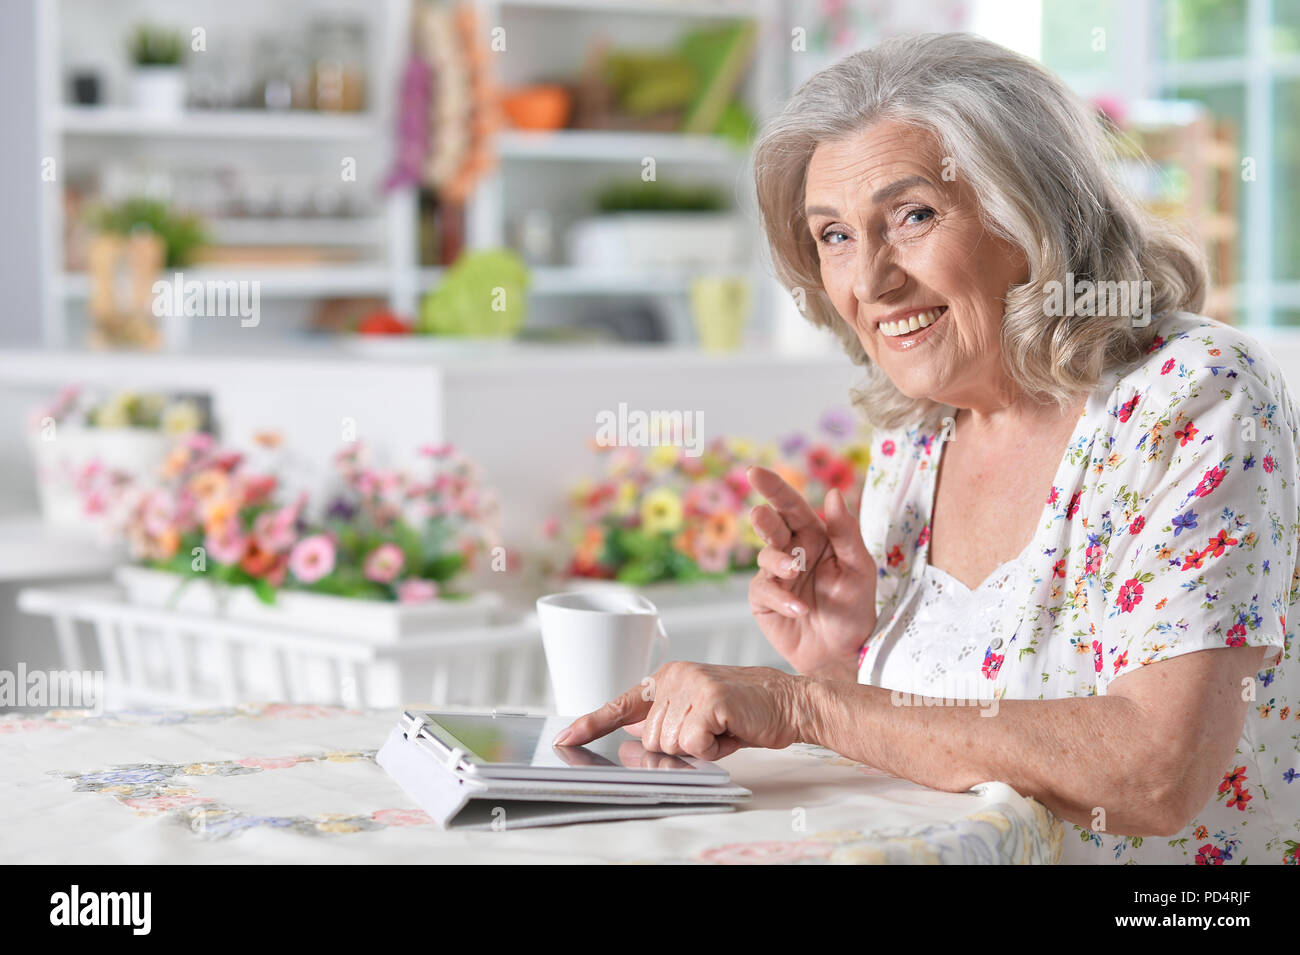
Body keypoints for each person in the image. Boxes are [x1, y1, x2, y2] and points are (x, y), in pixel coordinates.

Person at [553, 33, 1299, 864]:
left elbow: (1157, 771)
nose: (869, 282)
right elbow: (947, 757)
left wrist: (808, 706)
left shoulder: (1190, 393)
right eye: (833, 235)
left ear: (1034, 214)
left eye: (912, 216)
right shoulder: (916, 432)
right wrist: (842, 659)